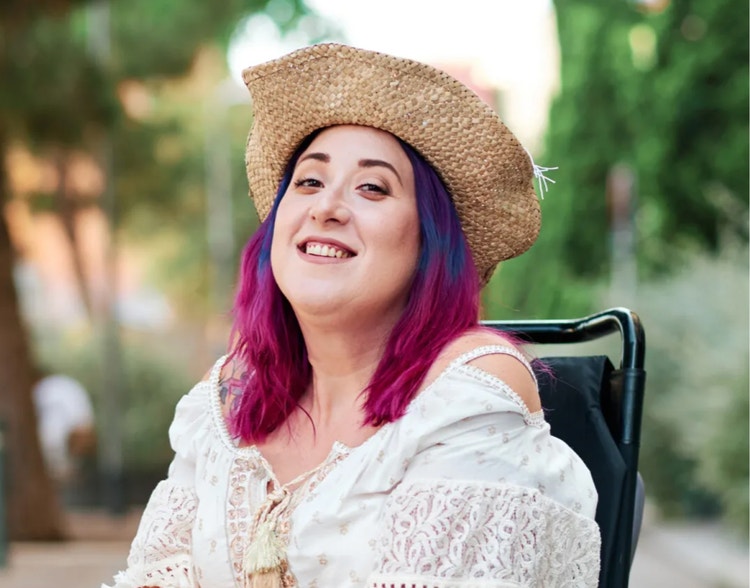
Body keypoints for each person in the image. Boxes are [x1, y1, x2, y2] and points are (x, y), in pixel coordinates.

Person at [104, 43, 600, 588]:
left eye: (372, 187)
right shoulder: (227, 400)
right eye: (309, 181)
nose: (326, 207)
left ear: (428, 241)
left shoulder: (469, 391)